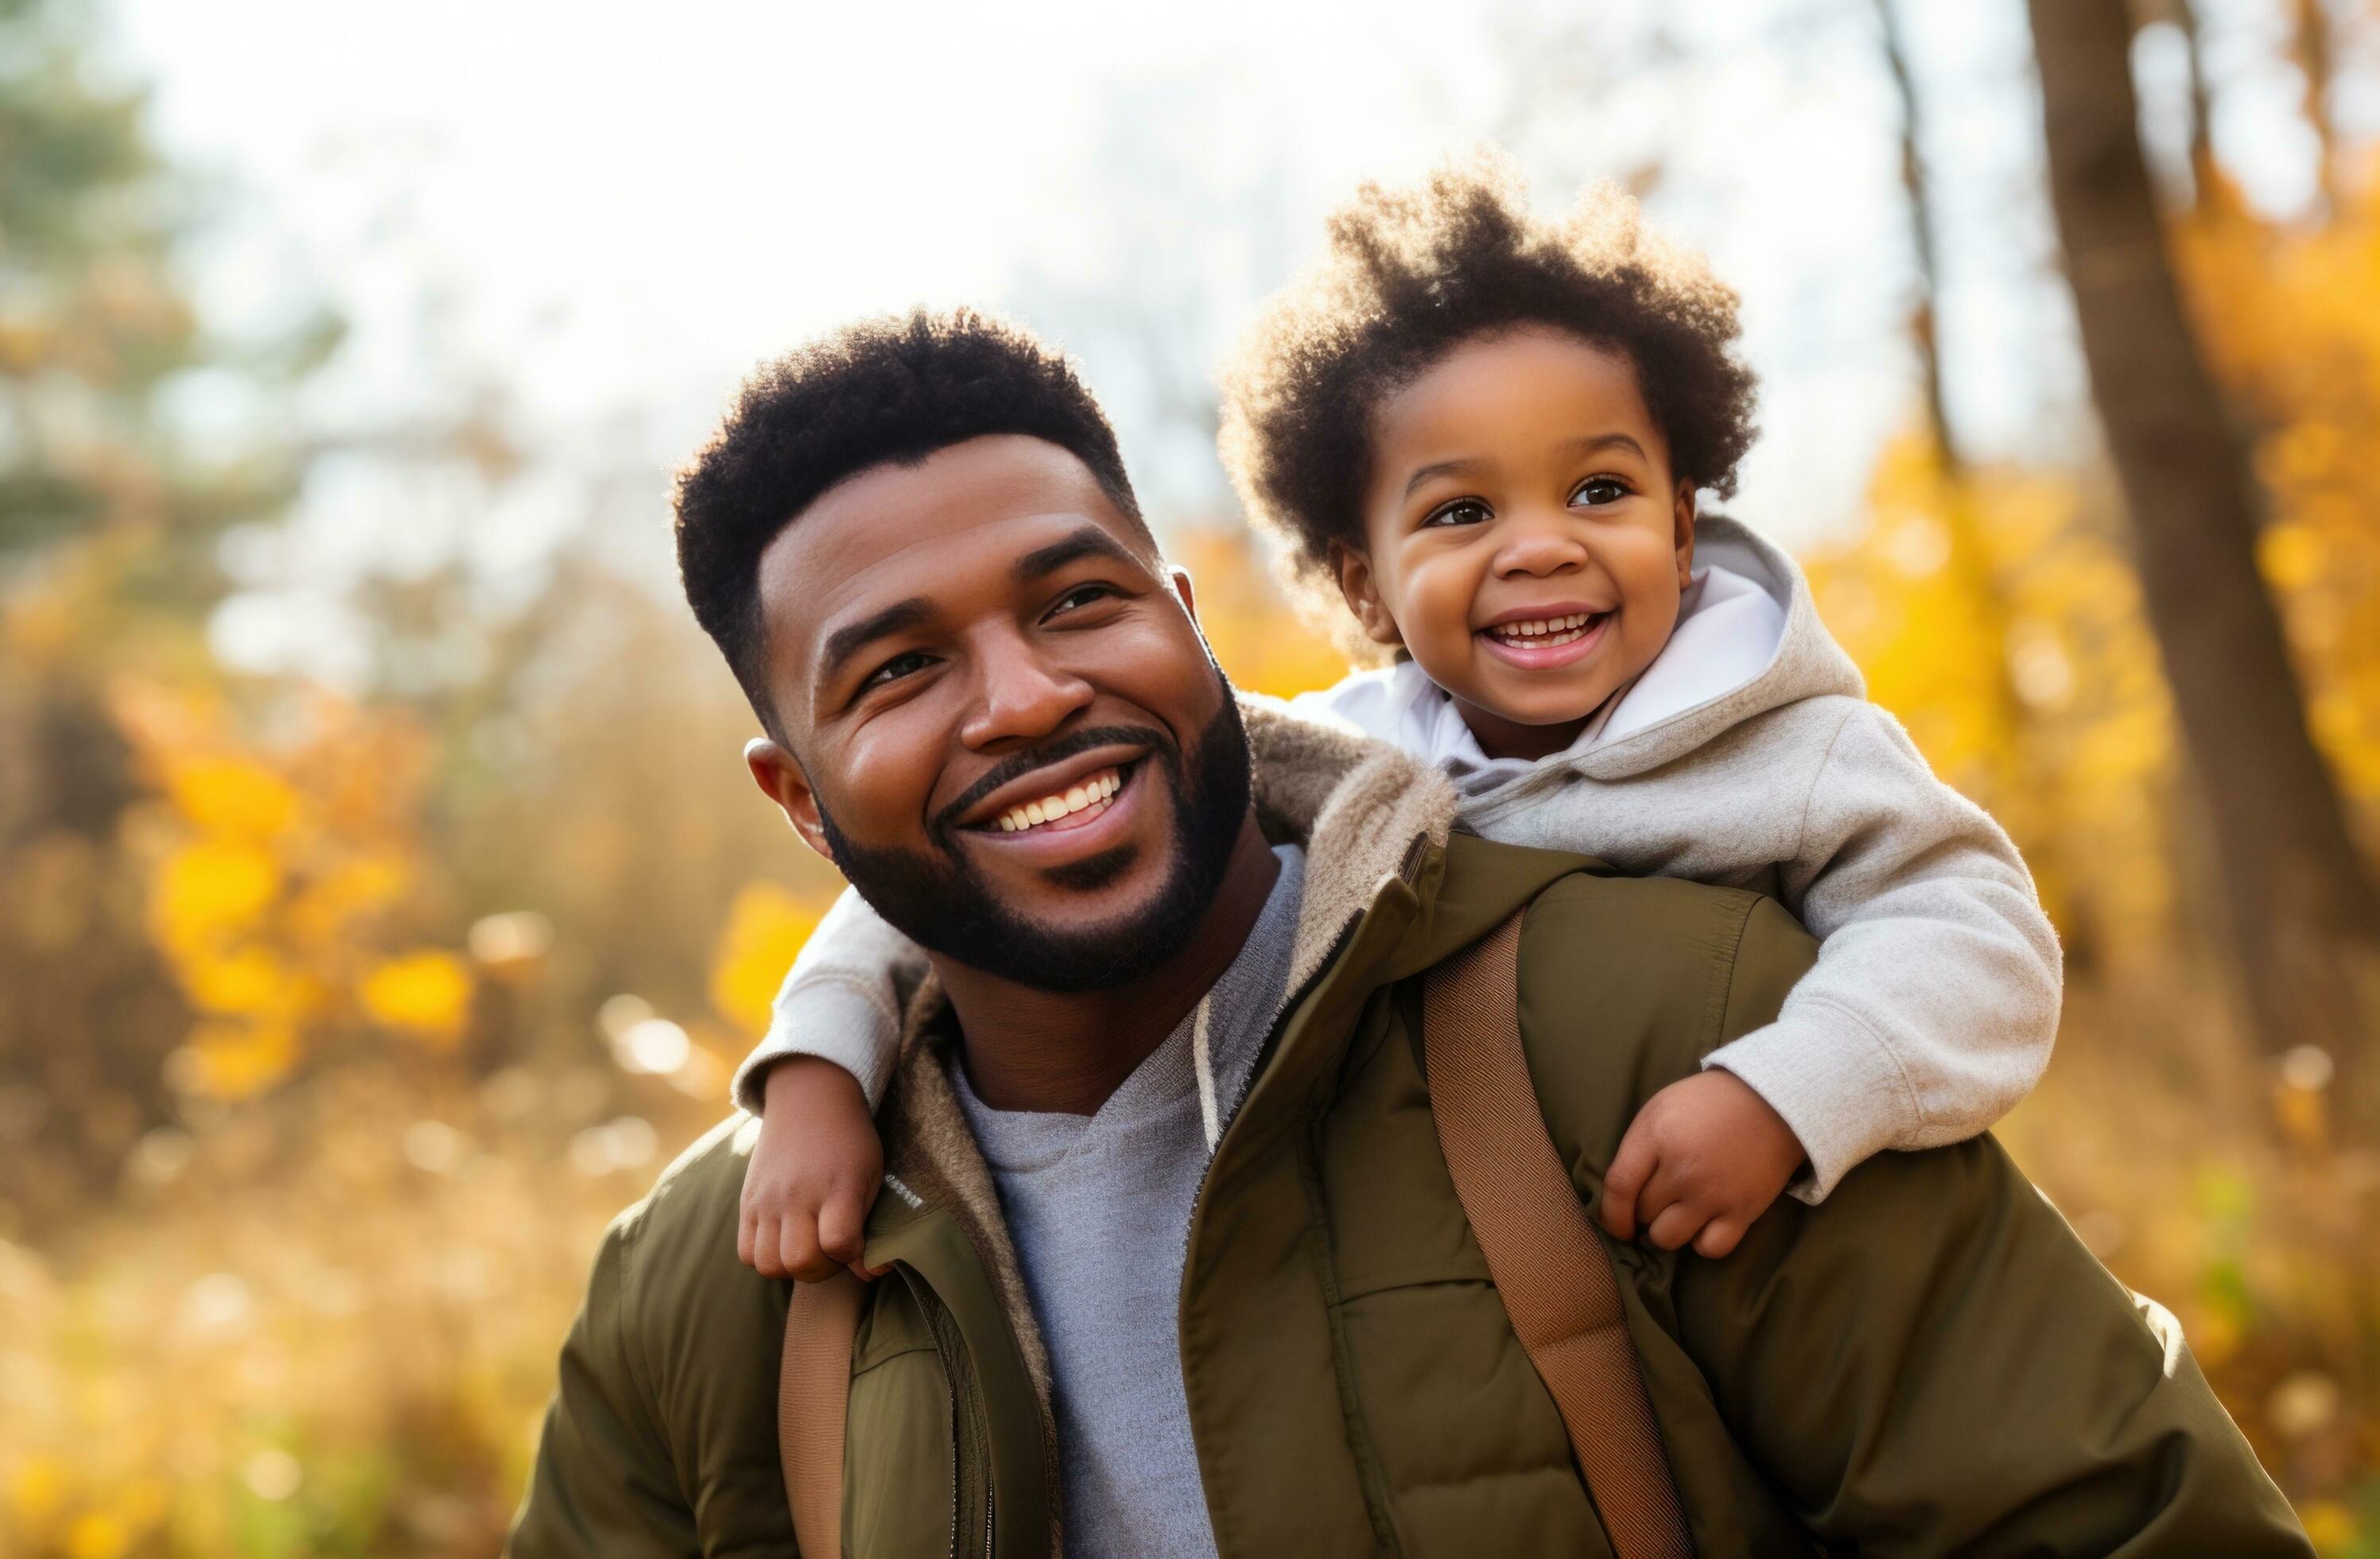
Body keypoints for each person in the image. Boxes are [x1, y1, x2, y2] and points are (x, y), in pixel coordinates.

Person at [507, 308, 2308, 1556]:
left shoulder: (1670, 1024)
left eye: (1079, 600)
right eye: (901, 669)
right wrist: (811, 1063)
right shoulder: (711, 1288)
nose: (1028, 697)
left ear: (1191, 621)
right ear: (799, 799)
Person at [734, 152, 2062, 1283]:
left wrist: (1788, 1094)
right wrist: (817, 1068)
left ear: (1679, 517)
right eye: (1461, 514)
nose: (1537, 549)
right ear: (1362, 584)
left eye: (1596, 491)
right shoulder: (1348, 752)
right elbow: (968, 845)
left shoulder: (1793, 748)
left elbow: (1977, 944)